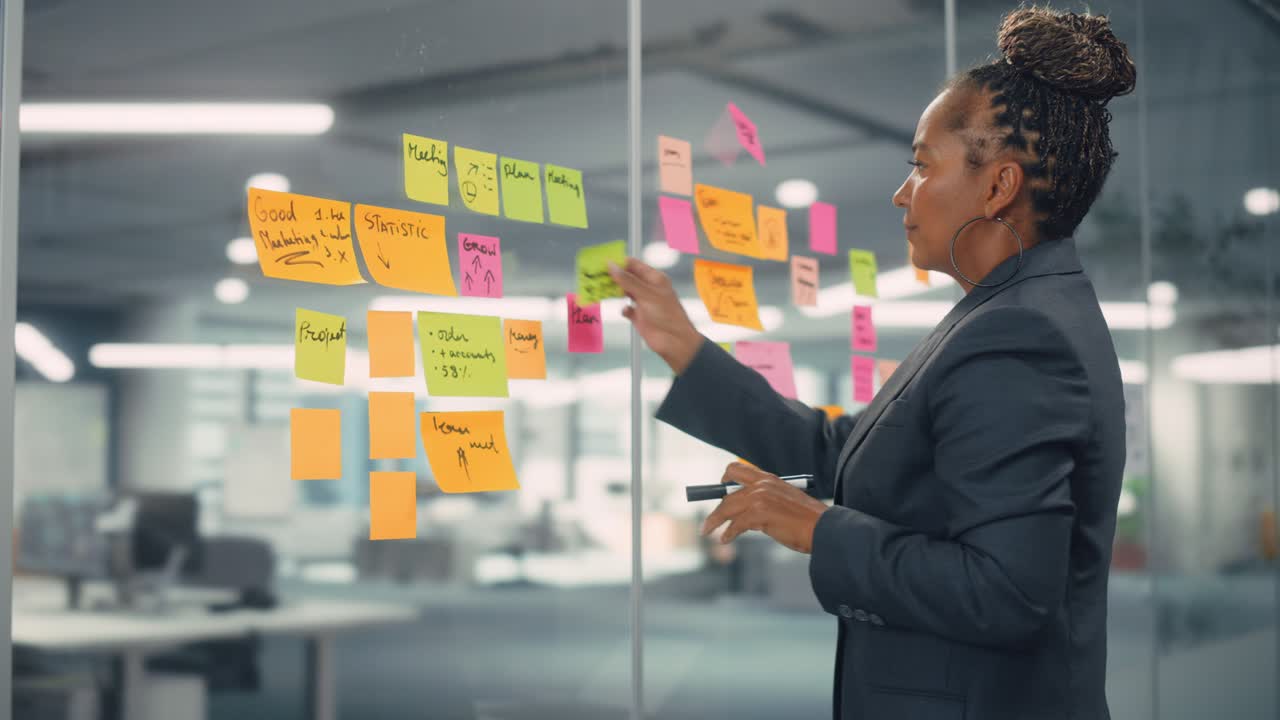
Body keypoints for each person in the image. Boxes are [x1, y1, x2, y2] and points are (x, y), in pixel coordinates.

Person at [608, 6, 1136, 719]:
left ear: (998, 187)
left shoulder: (1019, 334)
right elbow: (852, 450)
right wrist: (689, 351)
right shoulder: (1008, 311)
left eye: (922, 165)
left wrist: (820, 529)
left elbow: (1007, 594)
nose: (901, 192)